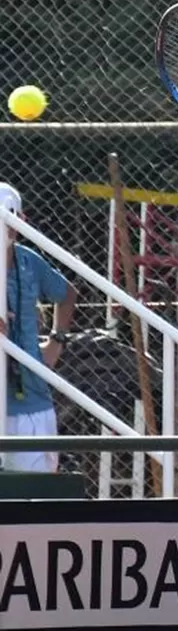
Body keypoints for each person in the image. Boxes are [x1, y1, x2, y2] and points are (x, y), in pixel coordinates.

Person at [1, 182, 78, 470]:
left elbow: (67, 293)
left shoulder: (27, 261)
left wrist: (56, 341)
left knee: (37, 494)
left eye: (10, 219)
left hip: (33, 399)